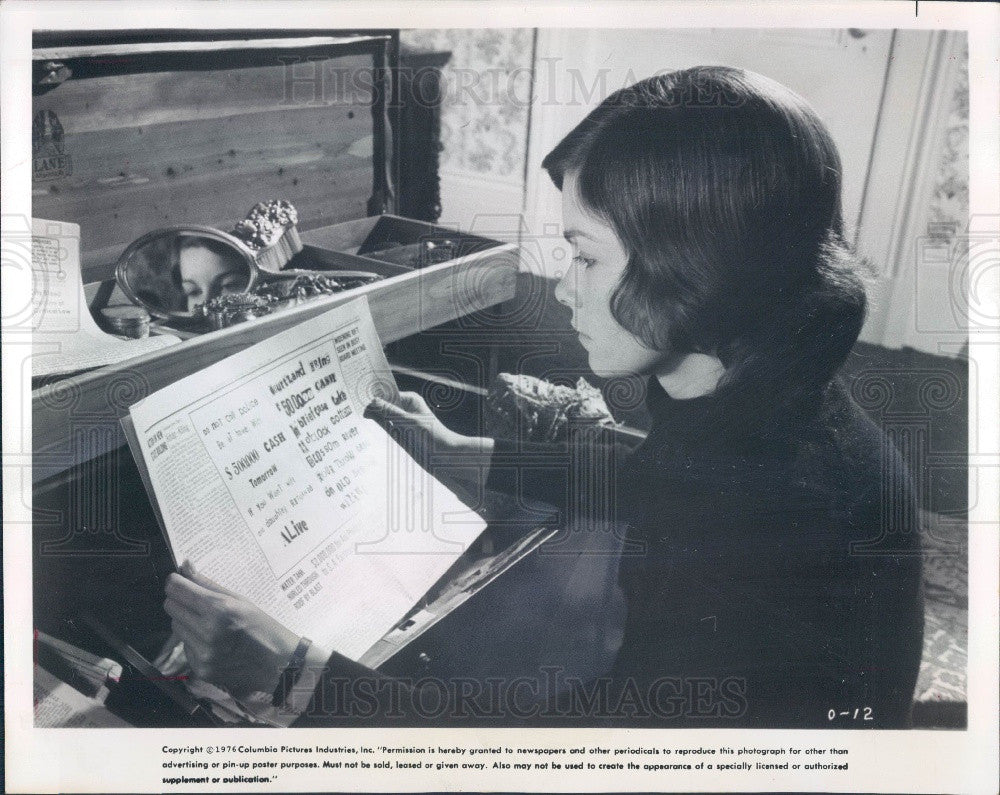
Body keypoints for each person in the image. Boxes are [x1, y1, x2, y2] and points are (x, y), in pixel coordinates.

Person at [163, 66, 924, 729]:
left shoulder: (766, 517)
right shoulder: (757, 394)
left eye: (584, 257)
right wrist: (478, 457)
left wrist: (297, 673)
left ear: (692, 267)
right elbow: (668, 474)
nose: (563, 288)